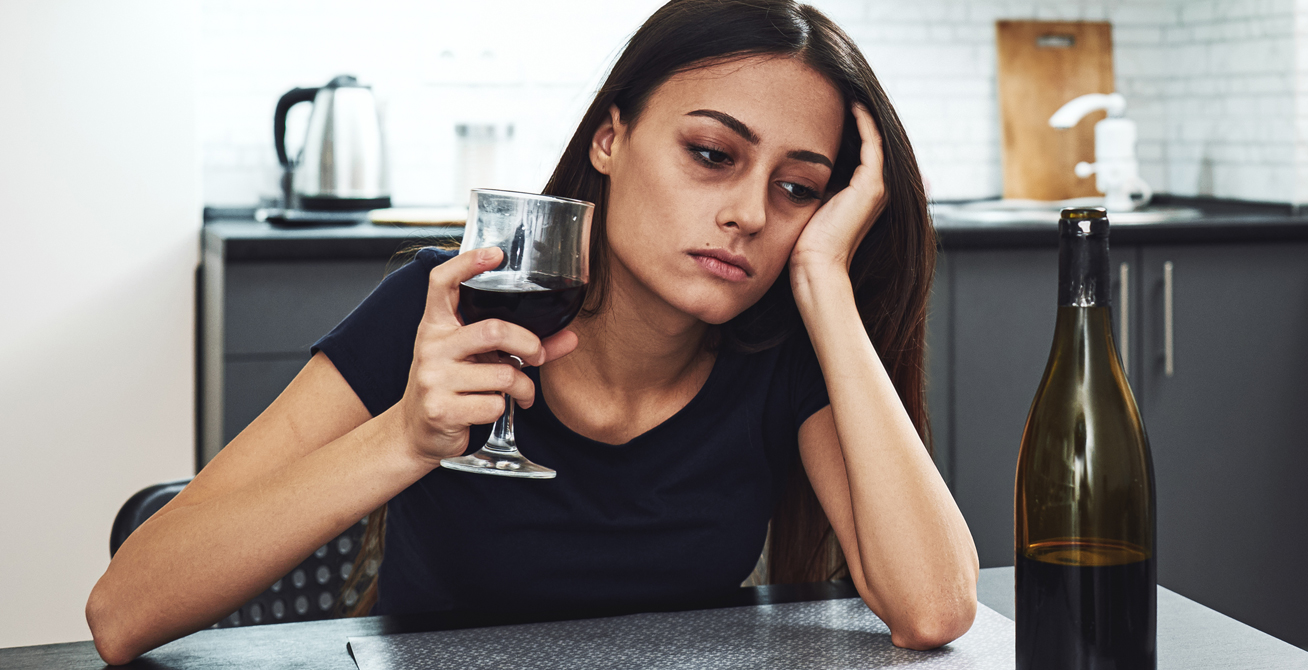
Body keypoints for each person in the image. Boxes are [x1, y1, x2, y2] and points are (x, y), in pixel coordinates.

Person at [85, 0, 978, 663]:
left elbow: (933, 610)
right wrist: (406, 436)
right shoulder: (444, 305)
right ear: (609, 140)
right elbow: (123, 614)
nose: (749, 212)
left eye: (798, 188)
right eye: (712, 155)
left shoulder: (778, 356)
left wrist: (823, 282)